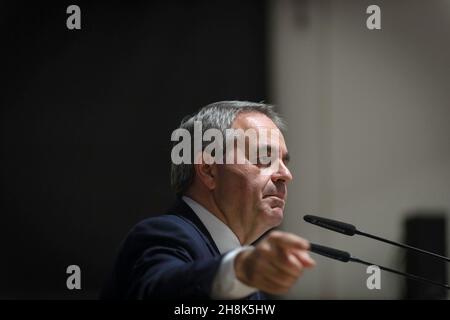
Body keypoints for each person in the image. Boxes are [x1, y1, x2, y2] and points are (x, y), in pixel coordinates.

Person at [100, 101, 315, 299]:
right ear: (209, 170)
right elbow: (158, 291)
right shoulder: (164, 235)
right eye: (264, 158)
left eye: (284, 161)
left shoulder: (245, 278)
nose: (286, 174)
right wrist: (238, 270)